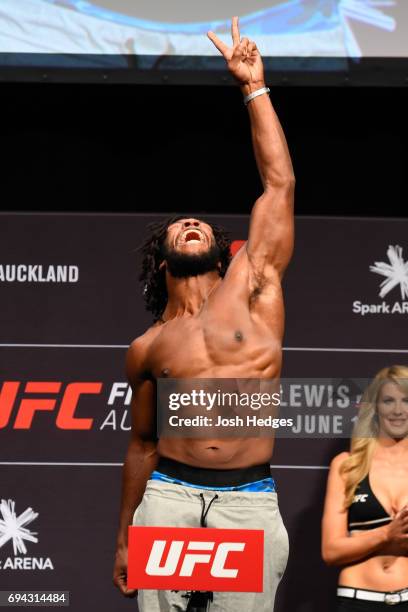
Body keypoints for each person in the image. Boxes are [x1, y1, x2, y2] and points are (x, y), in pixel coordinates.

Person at [113, 16, 295, 611]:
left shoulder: (254, 285)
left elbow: (278, 186)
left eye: (201, 224)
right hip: (166, 496)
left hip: (247, 498)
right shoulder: (148, 347)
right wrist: (124, 536)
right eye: (178, 223)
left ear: (222, 248)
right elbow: (141, 444)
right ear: (160, 258)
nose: (190, 222)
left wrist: (253, 87)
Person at [322, 366, 408, 611]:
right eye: (389, 400)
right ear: (375, 408)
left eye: (406, 400)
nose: (398, 410)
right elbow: (331, 551)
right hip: (358, 598)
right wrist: (386, 535)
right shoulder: (348, 465)